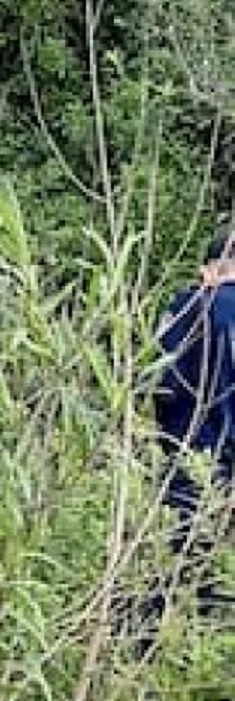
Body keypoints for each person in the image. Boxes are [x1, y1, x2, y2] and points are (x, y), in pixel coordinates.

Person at [141, 224, 235, 637]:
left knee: (184, 565)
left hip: (190, 458)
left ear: (207, 269)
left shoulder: (183, 309)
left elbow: (155, 385)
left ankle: (154, 655)